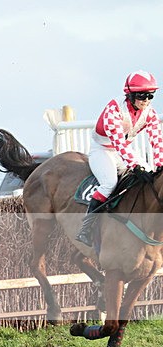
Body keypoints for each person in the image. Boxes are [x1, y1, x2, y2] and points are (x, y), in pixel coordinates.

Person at [76, 70, 163, 246]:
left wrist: (160, 165)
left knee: (152, 177)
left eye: (150, 95)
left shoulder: (150, 113)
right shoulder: (113, 110)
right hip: (102, 150)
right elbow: (118, 144)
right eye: (141, 95)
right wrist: (135, 167)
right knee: (109, 183)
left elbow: (156, 141)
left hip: (123, 151)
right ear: (129, 95)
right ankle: (86, 229)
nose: (146, 100)